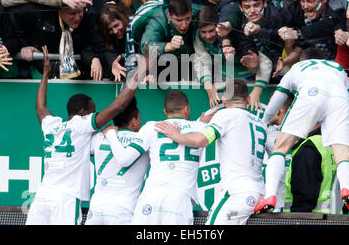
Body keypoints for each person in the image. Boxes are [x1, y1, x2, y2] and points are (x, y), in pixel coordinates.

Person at [25, 41, 156, 225]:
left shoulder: (51, 125)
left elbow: (41, 107)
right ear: (83, 113)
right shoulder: (82, 125)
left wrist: (45, 74)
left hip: (42, 197)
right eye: (93, 111)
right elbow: (119, 106)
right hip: (66, 199)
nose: (95, 117)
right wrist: (142, 70)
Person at [254, 48, 349, 215]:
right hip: (340, 100)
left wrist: (262, 122)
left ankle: (270, 196)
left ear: (302, 60)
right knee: (343, 156)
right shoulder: (338, 69)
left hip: (310, 95)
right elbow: (347, 105)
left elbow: (278, 99)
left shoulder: (298, 68)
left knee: (280, 149)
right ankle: (347, 190)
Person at [155, 79, 267, 225]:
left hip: (236, 193)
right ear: (248, 99)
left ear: (224, 100)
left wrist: (177, 136)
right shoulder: (261, 123)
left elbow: (202, 140)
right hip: (258, 194)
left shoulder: (226, 114)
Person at [102, 90, 208, 224]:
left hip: (150, 198)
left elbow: (124, 159)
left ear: (165, 111)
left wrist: (111, 134)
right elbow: (192, 130)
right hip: (178, 200)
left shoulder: (151, 127)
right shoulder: (202, 128)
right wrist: (202, 123)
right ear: (186, 109)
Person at [86, 97, 149, 225]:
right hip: (123, 210)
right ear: (133, 121)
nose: (141, 122)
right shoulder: (143, 140)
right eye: (139, 119)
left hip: (96, 208)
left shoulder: (99, 137)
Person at [11, 1, 104, 80]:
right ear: (60, 11)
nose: (77, 17)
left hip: (78, 78)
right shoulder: (43, 13)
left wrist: (94, 58)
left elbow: (93, 45)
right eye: (72, 13)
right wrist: (25, 44)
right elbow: (15, 14)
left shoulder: (89, 18)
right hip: (42, 72)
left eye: (80, 12)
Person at [96, 3, 133, 81]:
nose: (115, 31)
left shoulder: (135, 27)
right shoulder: (108, 38)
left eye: (116, 25)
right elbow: (108, 52)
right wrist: (113, 63)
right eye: (110, 29)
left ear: (123, 19)